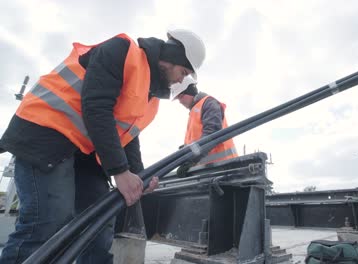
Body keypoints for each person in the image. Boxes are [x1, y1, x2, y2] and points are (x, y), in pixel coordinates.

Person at [0, 29, 206, 263]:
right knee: (48, 219)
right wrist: (119, 171)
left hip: (84, 152)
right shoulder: (122, 51)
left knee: (99, 222)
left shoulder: (149, 96)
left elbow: (128, 137)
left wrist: (139, 176)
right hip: (45, 132)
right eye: (183, 71)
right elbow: (96, 106)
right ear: (172, 57)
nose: (182, 80)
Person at [172, 80, 238, 178]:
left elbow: (211, 136)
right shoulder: (195, 110)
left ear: (188, 92)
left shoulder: (209, 104)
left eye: (180, 97)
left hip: (224, 169)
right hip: (209, 170)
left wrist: (191, 160)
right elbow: (198, 139)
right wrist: (186, 150)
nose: (180, 102)